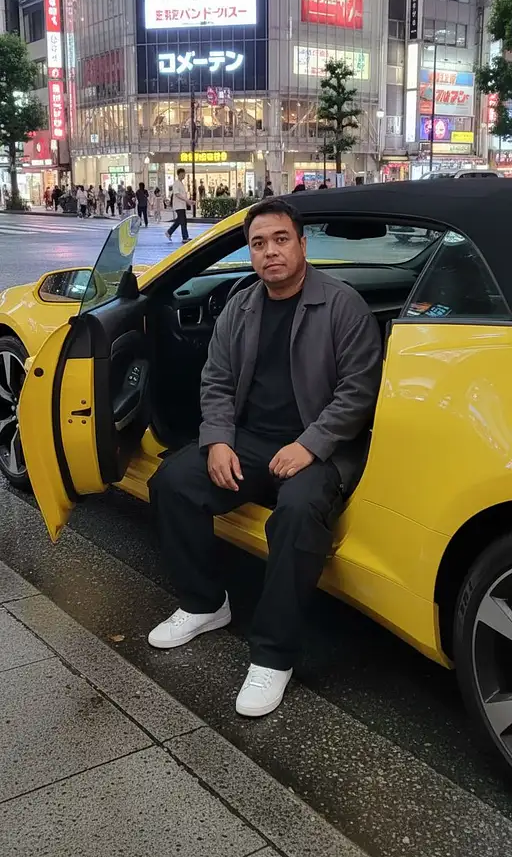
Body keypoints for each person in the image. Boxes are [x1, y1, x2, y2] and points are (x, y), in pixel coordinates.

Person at [149, 199, 382, 717]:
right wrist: (217, 440)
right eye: (258, 243)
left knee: (297, 515)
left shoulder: (342, 305)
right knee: (173, 482)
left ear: (301, 244)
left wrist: (310, 445)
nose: (270, 252)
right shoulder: (242, 305)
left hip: (320, 447)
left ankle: (274, 655)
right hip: (251, 442)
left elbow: (359, 391)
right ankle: (204, 603)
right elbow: (216, 380)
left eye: (280, 240)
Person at [165, 168, 190, 243]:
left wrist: (187, 201)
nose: (183, 175)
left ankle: (169, 232)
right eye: (182, 174)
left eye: (184, 174)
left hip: (182, 205)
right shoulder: (176, 183)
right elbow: (177, 194)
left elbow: (182, 194)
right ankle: (185, 237)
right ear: (178, 174)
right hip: (178, 205)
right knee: (183, 221)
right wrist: (187, 200)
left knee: (180, 220)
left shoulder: (181, 183)